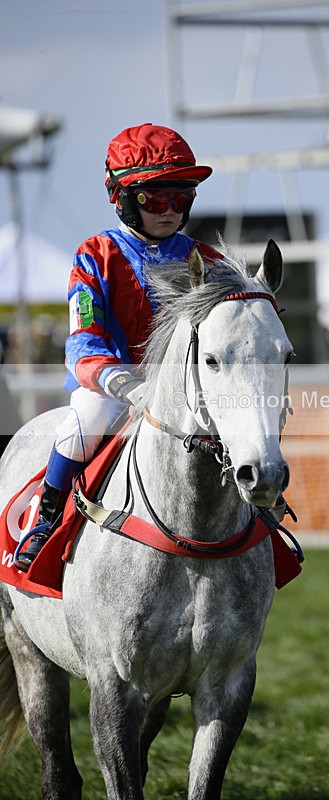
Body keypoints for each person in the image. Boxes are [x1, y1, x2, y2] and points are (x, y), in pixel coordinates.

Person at [15, 123, 222, 571]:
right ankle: (45, 519)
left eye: (181, 197)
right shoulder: (95, 254)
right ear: (122, 197)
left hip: (184, 389)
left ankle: (265, 511)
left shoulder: (210, 261)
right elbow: (83, 339)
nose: (170, 210)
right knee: (86, 420)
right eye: (154, 199)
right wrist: (121, 382)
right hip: (111, 389)